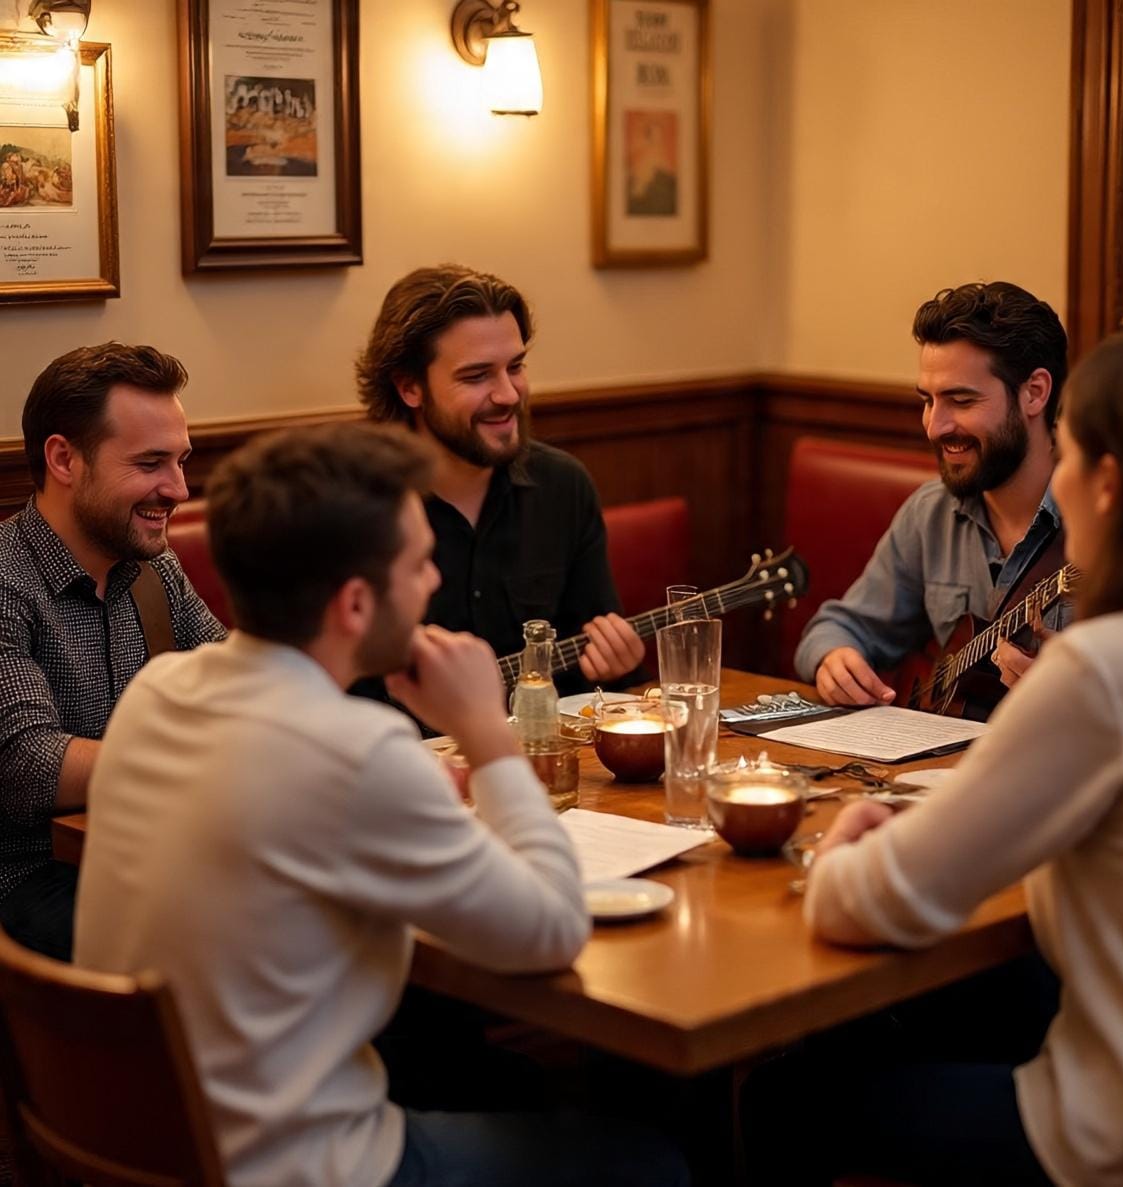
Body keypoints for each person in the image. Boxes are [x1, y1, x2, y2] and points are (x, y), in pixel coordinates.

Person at [73, 423, 687, 1187]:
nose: (433, 581)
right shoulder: (356, 749)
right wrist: (486, 733)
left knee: (495, 1080)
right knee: (653, 1161)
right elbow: (554, 929)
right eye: (419, 562)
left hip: (132, 1144)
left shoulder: (158, 692)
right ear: (357, 604)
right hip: (295, 1167)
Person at [786, 331, 1123, 1186]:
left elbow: (865, 902)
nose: (1059, 479)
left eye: (1071, 453)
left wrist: (847, 840)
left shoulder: (1107, 670)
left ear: (1109, 483)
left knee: (793, 1092)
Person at [0, 343, 225, 962]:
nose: (178, 488)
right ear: (64, 459)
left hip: (151, 851)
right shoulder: (6, 579)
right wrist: (201, 754)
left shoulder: (153, 565)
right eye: (151, 463)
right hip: (30, 879)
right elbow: (29, 766)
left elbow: (244, 680)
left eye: (180, 461)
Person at [356, 264, 645, 698]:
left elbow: (594, 671)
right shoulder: (355, 509)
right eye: (477, 376)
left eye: (516, 366)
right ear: (410, 387)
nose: (509, 394)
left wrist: (615, 666)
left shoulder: (563, 485)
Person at [794, 281, 1071, 716]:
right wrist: (835, 658)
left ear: (1034, 393)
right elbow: (839, 627)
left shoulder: (1110, 524)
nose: (934, 426)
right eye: (928, 400)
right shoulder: (931, 513)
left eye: (961, 400)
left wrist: (1080, 696)